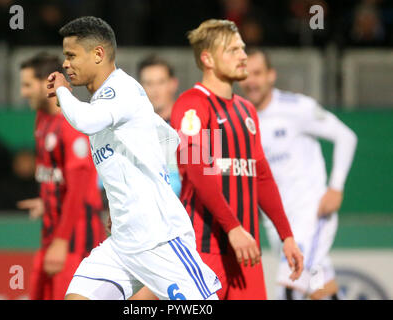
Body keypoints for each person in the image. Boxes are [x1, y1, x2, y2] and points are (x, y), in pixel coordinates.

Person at [47, 16, 222, 300]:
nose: (65, 64)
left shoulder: (121, 90)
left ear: (98, 54)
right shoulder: (107, 101)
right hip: (123, 243)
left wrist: (64, 93)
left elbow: (85, 121)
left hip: (159, 239)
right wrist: (122, 208)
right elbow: (164, 143)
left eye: (71, 56)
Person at [170, 19, 304, 300]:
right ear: (207, 58)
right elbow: (198, 170)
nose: (243, 56)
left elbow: (261, 175)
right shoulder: (194, 104)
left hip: (245, 250)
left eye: (242, 48)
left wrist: (286, 235)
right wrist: (232, 228)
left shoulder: (246, 110)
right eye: (232, 50)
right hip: (205, 248)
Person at [239, 49, 357, 300]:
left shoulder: (296, 108)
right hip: (277, 221)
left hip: (310, 212)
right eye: (247, 74)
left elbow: (346, 136)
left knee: (289, 287)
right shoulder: (242, 117)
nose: (252, 81)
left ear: (271, 75)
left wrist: (336, 186)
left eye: (258, 73)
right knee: (319, 285)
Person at [18, 52, 106, 300]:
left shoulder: (71, 123)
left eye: (27, 85)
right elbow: (56, 178)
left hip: (75, 242)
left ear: (46, 83)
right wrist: (46, 202)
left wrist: (61, 241)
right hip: (51, 236)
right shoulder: (42, 119)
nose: (23, 93)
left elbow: (79, 187)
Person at [137, 55, 181, 196]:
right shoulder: (131, 130)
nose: (155, 90)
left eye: (161, 82)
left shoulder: (191, 127)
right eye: (148, 83)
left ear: (173, 84)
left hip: (184, 213)